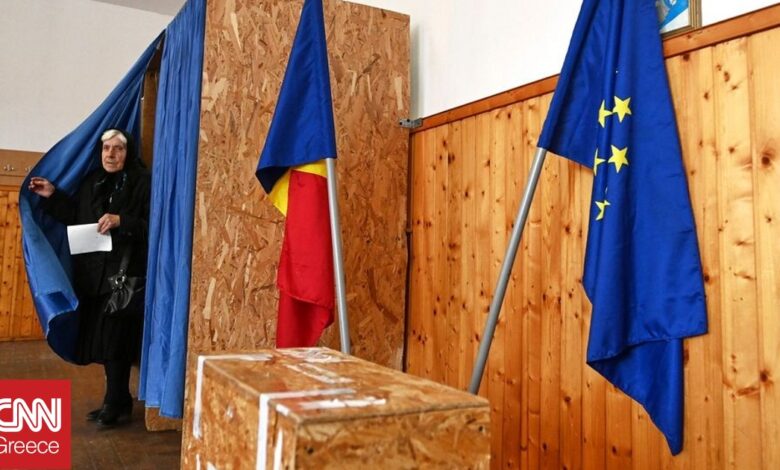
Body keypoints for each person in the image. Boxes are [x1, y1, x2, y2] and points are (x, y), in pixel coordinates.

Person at [28, 128, 150, 427]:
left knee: (116, 341)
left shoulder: (141, 182)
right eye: (106, 148)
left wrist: (122, 221)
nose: (111, 154)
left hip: (124, 274)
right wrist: (52, 195)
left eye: (118, 148)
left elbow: (154, 224)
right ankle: (117, 400)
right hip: (94, 275)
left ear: (128, 152)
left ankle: (114, 402)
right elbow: (78, 217)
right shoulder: (92, 181)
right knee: (104, 343)